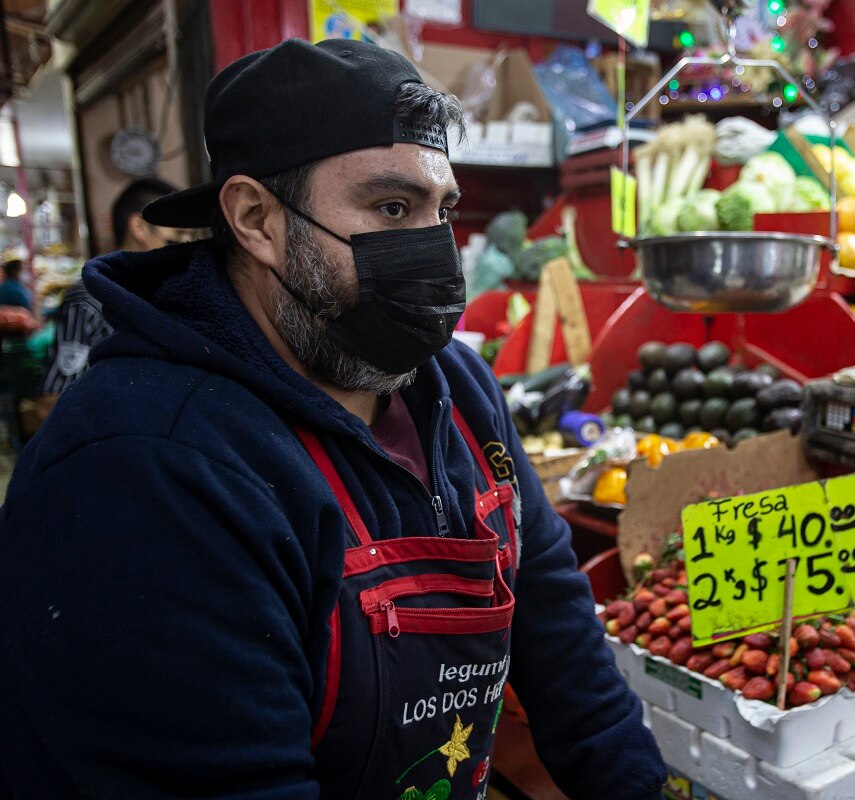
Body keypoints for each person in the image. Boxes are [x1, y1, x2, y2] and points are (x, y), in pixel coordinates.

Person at [0, 38, 665, 799]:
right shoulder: (146, 468)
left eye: (438, 209)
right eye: (390, 207)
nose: (432, 251)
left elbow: (569, 660)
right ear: (254, 218)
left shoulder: (461, 389)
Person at [40, 178, 185, 394]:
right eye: (173, 242)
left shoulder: (171, 293)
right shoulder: (89, 299)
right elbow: (54, 398)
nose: (184, 251)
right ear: (138, 227)